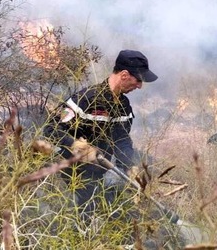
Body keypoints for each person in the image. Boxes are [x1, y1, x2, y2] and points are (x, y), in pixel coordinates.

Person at [44, 49, 158, 214]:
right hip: (74, 174)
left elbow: (122, 141)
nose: (139, 86)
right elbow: (51, 128)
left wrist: (130, 166)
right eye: (138, 80)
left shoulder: (124, 107)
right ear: (124, 75)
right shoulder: (85, 100)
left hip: (100, 174)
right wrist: (76, 144)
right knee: (87, 215)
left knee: (121, 212)